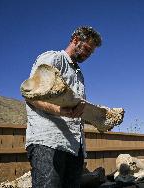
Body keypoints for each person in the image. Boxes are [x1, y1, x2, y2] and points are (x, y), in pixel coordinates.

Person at [24, 26, 102, 188]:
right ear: (75, 40)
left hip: (75, 146)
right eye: (87, 49)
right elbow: (30, 96)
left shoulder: (79, 74)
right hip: (49, 142)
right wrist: (58, 111)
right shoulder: (53, 59)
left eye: (91, 52)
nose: (88, 55)